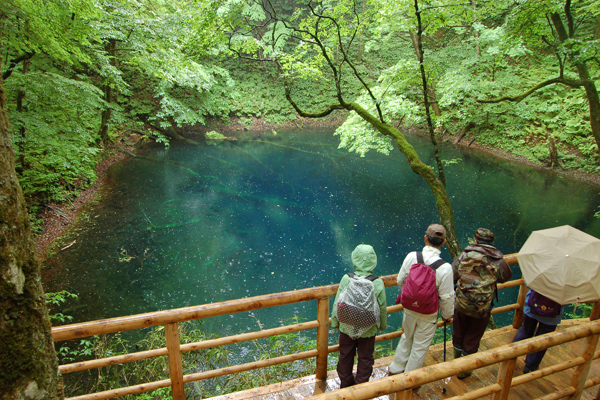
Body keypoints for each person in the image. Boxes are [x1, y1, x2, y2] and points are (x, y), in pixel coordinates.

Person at [388, 224, 454, 375]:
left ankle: (395, 369)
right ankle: (411, 378)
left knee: (406, 337)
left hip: (410, 307)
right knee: (420, 345)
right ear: (443, 242)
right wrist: (446, 315)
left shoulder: (413, 257)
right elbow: (446, 297)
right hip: (429, 312)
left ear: (425, 238)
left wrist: (410, 296)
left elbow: (400, 280)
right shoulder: (445, 268)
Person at [452, 228, 512, 379]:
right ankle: (465, 369)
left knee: (459, 331)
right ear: (492, 242)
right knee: (473, 336)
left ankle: (456, 362)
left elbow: (452, 275)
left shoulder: (464, 255)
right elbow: (505, 277)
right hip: (482, 307)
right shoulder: (498, 260)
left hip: (461, 303)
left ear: (476, 241)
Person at [331, 244, 387, 388]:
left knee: (345, 355)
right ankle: (361, 385)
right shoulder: (377, 282)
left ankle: (346, 382)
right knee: (366, 358)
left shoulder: (346, 278)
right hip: (368, 328)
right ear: (373, 261)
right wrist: (381, 325)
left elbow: (338, 303)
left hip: (346, 325)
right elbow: (382, 308)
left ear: (354, 259)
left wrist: (335, 323)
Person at [512, 288, 564, 373]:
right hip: (553, 313)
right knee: (543, 339)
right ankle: (530, 366)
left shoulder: (542, 274)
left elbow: (527, 282)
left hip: (532, 305)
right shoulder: (569, 278)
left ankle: (510, 354)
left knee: (525, 331)